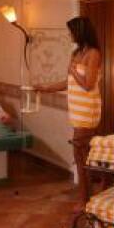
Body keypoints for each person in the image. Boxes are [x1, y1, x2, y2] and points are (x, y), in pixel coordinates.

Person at [34, 17, 102, 211]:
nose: (70, 34)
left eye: (72, 31)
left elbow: (88, 84)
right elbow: (69, 82)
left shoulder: (93, 53)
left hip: (87, 111)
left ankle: (86, 200)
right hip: (76, 111)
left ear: (80, 31)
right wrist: (45, 88)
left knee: (80, 156)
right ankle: (88, 198)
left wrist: (73, 70)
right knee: (82, 156)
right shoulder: (76, 53)